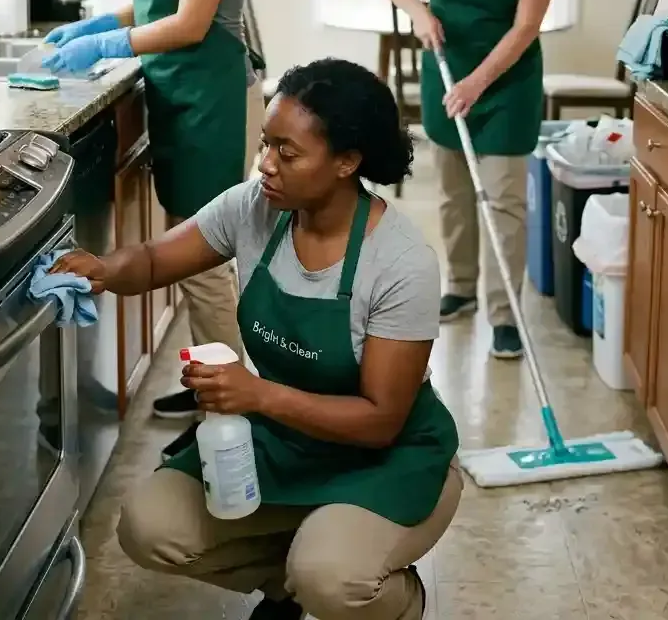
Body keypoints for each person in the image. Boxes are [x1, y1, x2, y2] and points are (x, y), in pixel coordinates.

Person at [52, 58, 461, 620]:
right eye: (266, 144)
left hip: (387, 457)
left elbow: (380, 420)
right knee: (149, 527)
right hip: (286, 440)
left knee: (332, 577)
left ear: (347, 161)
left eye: (287, 153)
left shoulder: (400, 262)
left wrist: (258, 395)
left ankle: (393, 601)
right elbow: (151, 260)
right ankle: (289, 580)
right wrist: (100, 268)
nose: (266, 164)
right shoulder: (254, 208)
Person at [42, 0, 265, 459]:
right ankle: (212, 389)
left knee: (203, 265)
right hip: (177, 95)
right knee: (192, 259)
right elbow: (151, 2)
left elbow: (193, 21)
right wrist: (98, 26)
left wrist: (107, 47)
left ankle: (237, 411)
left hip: (209, 99)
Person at [386, 0, 558, 359]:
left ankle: (505, 315)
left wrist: (478, 83)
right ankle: (460, 289)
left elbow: (526, 26)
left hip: (506, 84)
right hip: (447, 71)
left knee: (504, 201)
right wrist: (419, 12)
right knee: (455, 195)